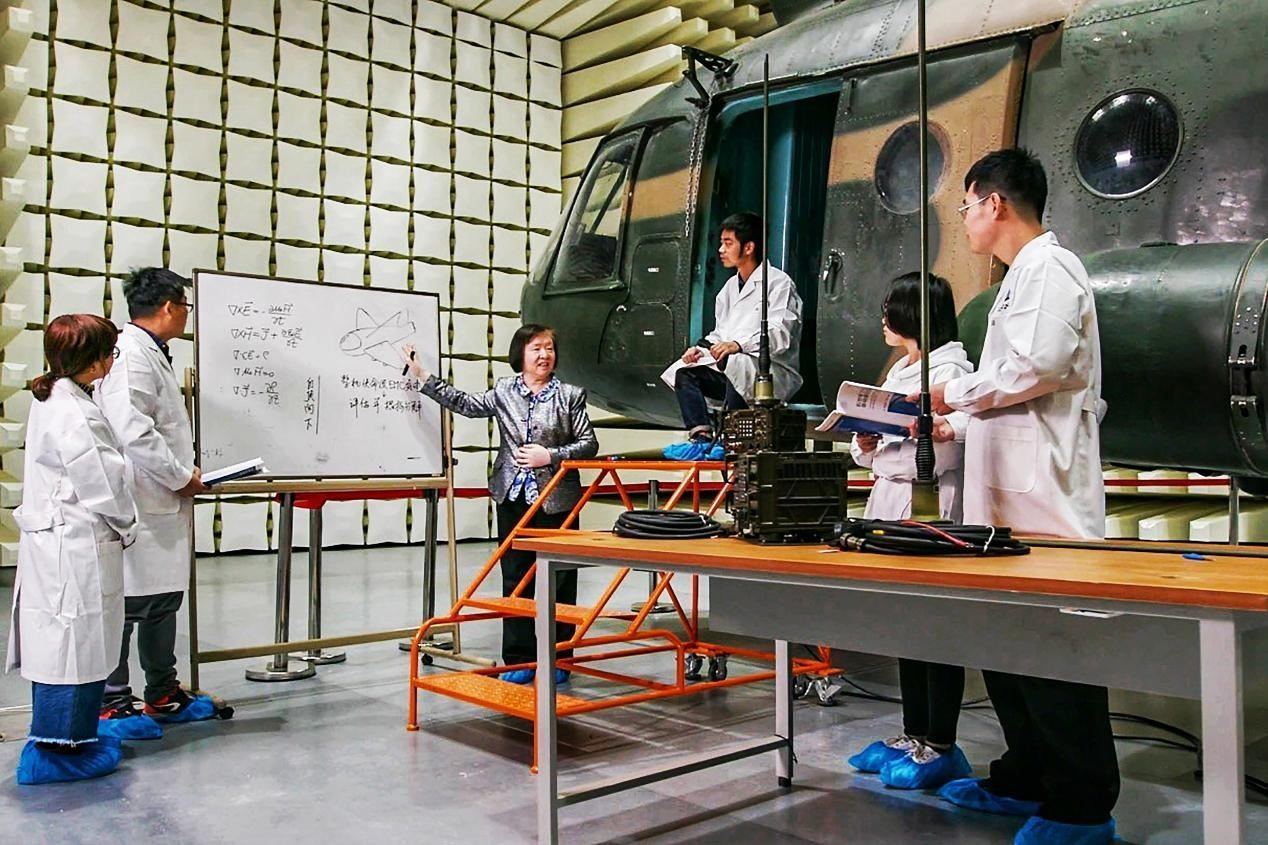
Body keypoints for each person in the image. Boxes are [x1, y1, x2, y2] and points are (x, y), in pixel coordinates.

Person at [925, 149, 1117, 845]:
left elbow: (1038, 367)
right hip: (1007, 506)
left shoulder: (1050, 268)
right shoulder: (1018, 279)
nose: (965, 219)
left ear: (995, 202)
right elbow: (1012, 387)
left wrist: (956, 391)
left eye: (966, 205)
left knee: (1055, 654)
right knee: (1009, 649)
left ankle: (1081, 805)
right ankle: (1027, 775)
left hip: (1047, 507)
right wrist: (954, 422)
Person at [402, 325, 598, 685]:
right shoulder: (505, 390)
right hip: (512, 497)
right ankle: (519, 660)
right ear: (520, 353)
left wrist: (550, 455)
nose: (544, 355)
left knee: (561, 580)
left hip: (558, 501)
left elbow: (588, 443)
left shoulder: (570, 395)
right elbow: (465, 404)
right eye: (536, 348)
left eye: (549, 348)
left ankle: (561, 657)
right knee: (516, 579)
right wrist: (423, 376)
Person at [845, 272, 974, 791]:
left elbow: (949, 447)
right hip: (890, 501)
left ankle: (940, 742)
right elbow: (874, 449)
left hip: (929, 504)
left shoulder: (951, 371)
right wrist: (867, 445)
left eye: (890, 309)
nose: (883, 319)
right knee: (905, 626)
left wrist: (892, 449)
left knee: (934, 627)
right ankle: (913, 732)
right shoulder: (902, 368)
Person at [6, 315, 137, 784]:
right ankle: (58, 753)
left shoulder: (54, 396)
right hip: (76, 544)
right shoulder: (75, 412)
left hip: (60, 541)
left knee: (65, 643)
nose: (111, 361)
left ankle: (67, 740)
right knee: (74, 645)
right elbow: (103, 484)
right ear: (93, 360)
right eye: (109, 352)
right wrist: (128, 525)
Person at [97, 267, 217, 731]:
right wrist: (180, 476)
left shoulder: (151, 352)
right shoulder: (130, 355)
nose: (187, 315)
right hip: (142, 499)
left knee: (162, 600)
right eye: (186, 306)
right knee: (129, 605)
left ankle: (163, 693)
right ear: (169, 306)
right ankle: (112, 700)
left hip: (161, 500)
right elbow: (133, 430)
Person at [663, 212, 803, 460]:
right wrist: (700, 350)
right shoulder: (728, 289)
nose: (721, 250)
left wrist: (738, 345)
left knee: (735, 363)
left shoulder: (779, 284)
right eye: (722, 243)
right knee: (684, 371)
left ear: (748, 247)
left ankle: (731, 438)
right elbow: (720, 333)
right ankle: (701, 436)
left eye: (728, 243)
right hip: (734, 369)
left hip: (771, 373)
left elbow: (781, 335)